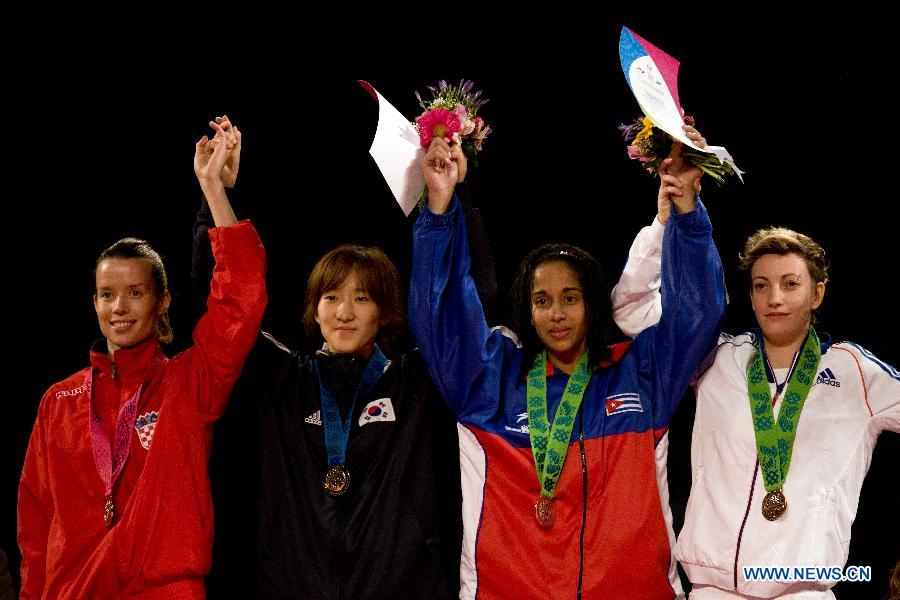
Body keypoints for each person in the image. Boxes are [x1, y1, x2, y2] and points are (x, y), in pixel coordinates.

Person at [408, 131, 727, 598]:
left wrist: (687, 213)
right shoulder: (491, 382)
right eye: (542, 300)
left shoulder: (640, 375)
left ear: (592, 305)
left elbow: (697, 311)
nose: (556, 313)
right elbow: (439, 314)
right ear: (526, 309)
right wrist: (439, 209)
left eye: (570, 298)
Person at [191, 121, 498, 599]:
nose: (345, 312)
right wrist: (214, 194)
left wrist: (451, 202)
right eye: (331, 297)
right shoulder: (280, 380)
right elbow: (226, 308)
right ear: (313, 309)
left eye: (362, 298)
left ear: (387, 310)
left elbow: (465, 307)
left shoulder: (416, 382)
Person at [16, 121, 267, 599]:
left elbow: (242, 300)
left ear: (163, 301)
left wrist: (213, 188)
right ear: (93, 303)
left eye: (135, 293)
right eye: (107, 295)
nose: (120, 308)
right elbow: (34, 522)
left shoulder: (190, 381)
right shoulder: (59, 401)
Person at [612, 184, 900, 599]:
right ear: (749, 294)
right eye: (761, 286)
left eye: (790, 284)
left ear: (817, 293)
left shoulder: (853, 370)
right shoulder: (717, 357)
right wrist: (662, 226)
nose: (775, 299)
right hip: (712, 590)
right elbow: (631, 311)